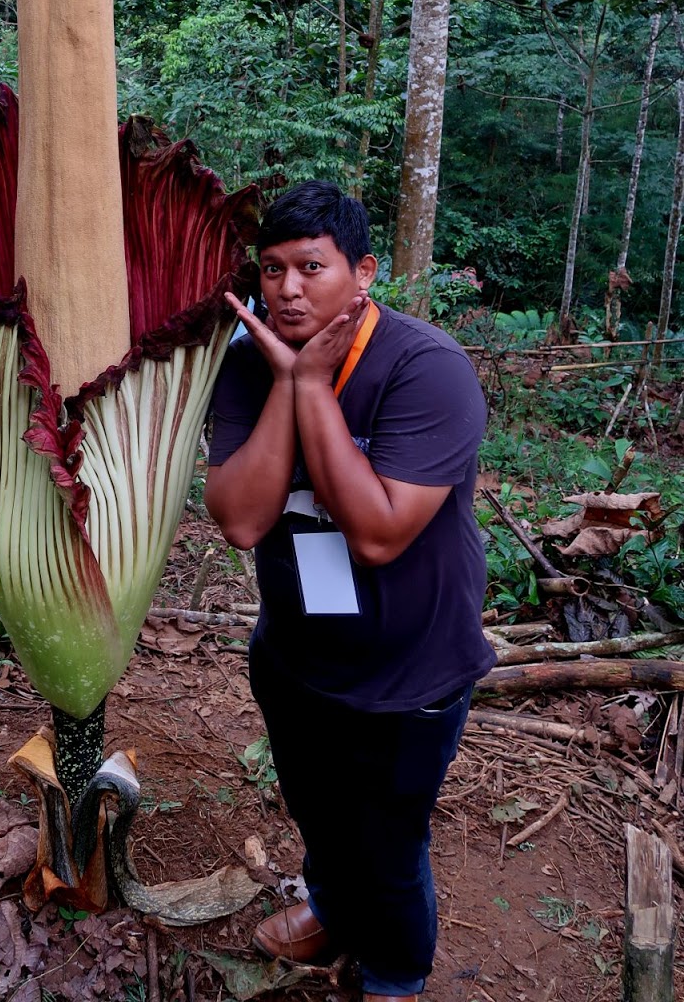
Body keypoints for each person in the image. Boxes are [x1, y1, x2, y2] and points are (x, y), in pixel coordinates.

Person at [204, 180, 494, 1002]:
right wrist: (285, 382)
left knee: (389, 844)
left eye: (311, 267)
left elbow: (376, 531)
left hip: (412, 670)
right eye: (271, 270)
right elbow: (240, 519)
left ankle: (396, 975)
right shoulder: (245, 362)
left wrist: (308, 389)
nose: (287, 289)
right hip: (298, 656)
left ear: (362, 273)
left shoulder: (425, 369)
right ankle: (330, 909)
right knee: (318, 809)